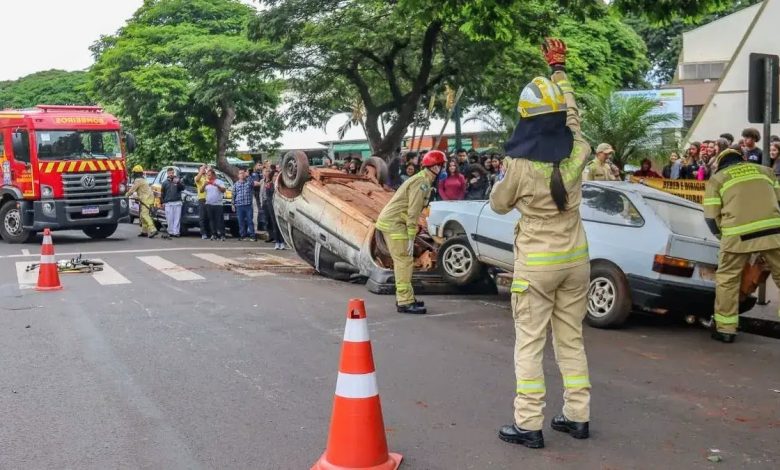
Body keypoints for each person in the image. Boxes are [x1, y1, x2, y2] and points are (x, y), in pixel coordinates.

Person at [491, 38, 591, 449]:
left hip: (537, 265)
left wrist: (504, 177)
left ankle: (528, 424)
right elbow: (573, 114)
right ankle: (577, 416)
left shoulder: (518, 165)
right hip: (577, 260)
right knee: (571, 339)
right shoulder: (580, 149)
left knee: (530, 344)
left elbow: (498, 205)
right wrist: (560, 72)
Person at [704, 147, 780, 343]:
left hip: (737, 235)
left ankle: (726, 330)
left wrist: (722, 237)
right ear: (742, 159)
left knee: (728, 280)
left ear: (720, 164)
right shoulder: (766, 171)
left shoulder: (717, 179)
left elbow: (711, 218)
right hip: (774, 232)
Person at [375, 150, 445, 315]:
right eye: (442, 165)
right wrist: (412, 234)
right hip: (395, 224)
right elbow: (413, 211)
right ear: (435, 167)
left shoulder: (423, 180)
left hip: (395, 222)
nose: (444, 168)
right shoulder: (422, 182)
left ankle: (407, 298)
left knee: (404, 261)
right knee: (404, 262)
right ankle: (404, 301)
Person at [126, 165, 158, 238]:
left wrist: (126, 195)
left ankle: (153, 229)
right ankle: (144, 231)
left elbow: (132, 190)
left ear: (136, 173)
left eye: (134, 173)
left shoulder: (138, 180)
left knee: (144, 215)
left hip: (146, 199)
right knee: (142, 216)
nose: (133, 174)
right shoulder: (143, 180)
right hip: (147, 198)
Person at [233, 168, 260, 241]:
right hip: (239, 205)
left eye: (243, 173)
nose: (242, 174)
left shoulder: (248, 182)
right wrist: (233, 204)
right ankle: (242, 235)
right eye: (240, 173)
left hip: (248, 205)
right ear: (238, 175)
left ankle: (252, 235)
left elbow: (252, 183)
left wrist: (248, 176)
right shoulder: (236, 184)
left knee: (250, 221)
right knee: (240, 221)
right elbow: (234, 194)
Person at [263, 168, 286, 250]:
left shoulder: (281, 186)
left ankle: (282, 242)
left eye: (277, 175)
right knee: (274, 225)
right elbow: (268, 197)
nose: (276, 177)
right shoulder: (269, 185)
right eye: (274, 176)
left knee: (281, 225)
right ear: (272, 177)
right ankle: (277, 242)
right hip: (272, 207)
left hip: (280, 207)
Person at [161, 167, 185, 237]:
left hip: (177, 202)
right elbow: (162, 193)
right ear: (167, 174)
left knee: (177, 218)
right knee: (169, 218)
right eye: (169, 173)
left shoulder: (178, 180)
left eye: (172, 173)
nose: (171, 174)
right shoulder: (165, 182)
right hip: (168, 203)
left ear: (174, 173)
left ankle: (176, 232)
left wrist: (178, 183)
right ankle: (170, 231)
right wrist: (162, 202)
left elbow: (183, 188)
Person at [204, 169, 226, 241]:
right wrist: (204, 184)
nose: (208, 176)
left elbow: (223, 190)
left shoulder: (219, 182)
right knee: (211, 220)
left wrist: (217, 186)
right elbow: (201, 190)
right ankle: (214, 234)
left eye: (209, 175)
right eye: (207, 175)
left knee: (219, 220)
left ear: (213, 175)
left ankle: (222, 235)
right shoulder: (206, 182)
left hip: (218, 204)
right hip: (209, 204)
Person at [194, 165, 211, 239]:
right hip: (202, 198)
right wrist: (202, 168)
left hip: (210, 199)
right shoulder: (197, 177)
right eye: (202, 169)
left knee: (209, 217)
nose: (204, 170)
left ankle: (210, 233)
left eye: (205, 169)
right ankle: (203, 233)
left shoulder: (208, 176)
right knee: (203, 217)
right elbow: (197, 179)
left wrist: (210, 169)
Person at [252, 162, 267, 232]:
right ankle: (261, 225)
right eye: (258, 165)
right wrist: (262, 182)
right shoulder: (255, 174)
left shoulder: (261, 173)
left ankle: (263, 224)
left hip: (263, 192)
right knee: (260, 208)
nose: (260, 166)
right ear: (255, 166)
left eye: (261, 165)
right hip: (257, 193)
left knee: (263, 209)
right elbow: (254, 183)